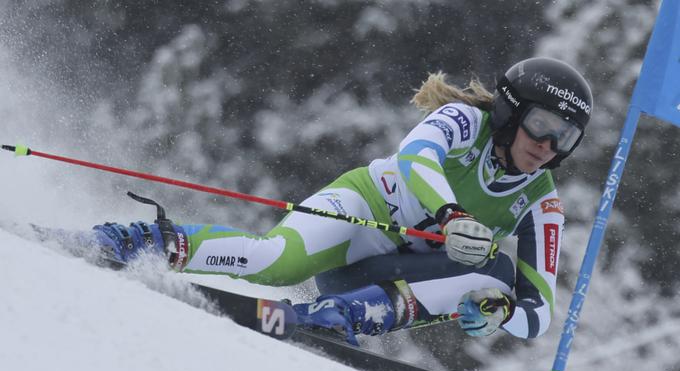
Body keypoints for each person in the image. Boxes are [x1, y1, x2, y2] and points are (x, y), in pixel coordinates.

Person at [87, 57, 593, 345]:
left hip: (380, 280)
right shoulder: (465, 122)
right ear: (509, 112)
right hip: (360, 212)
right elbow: (416, 156)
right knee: (273, 262)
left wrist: (500, 311)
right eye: (541, 125)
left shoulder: (541, 205)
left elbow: (539, 312)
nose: (547, 145)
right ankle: (145, 240)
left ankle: (339, 318)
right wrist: (453, 215)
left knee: (497, 275)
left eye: (565, 137)